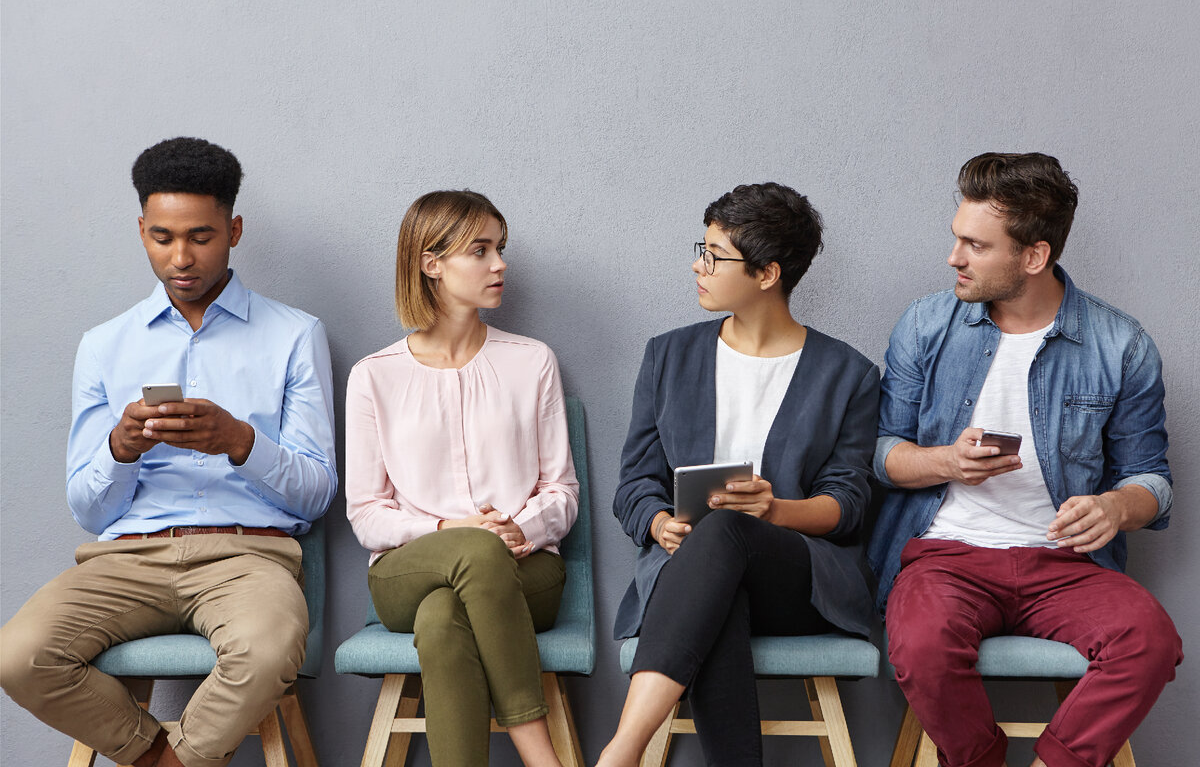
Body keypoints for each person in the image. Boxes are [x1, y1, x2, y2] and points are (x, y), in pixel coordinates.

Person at [0, 137, 337, 767]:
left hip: (247, 557)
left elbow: (317, 492)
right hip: (128, 558)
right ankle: (164, 760)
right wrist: (119, 448)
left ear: (234, 229)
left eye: (201, 237)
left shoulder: (295, 334)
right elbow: (88, 510)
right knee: (18, 654)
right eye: (162, 237)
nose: (180, 257)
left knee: (268, 650)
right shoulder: (104, 345)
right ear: (141, 230)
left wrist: (240, 442)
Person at [868, 152, 1183, 767]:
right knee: (921, 644)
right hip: (946, 557)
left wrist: (1116, 507)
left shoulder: (1122, 345)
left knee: (1149, 640)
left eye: (975, 245)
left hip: (1062, 564)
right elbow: (881, 456)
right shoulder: (927, 325)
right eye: (956, 238)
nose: (953, 257)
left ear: (1034, 256)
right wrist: (945, 463)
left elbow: (1153, 481)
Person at [597, 183, 880, 767]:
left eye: (714, 254)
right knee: (715, 579)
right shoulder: (667, 357)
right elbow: (633, 485)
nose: (697, 265)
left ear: (767, 273)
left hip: (798, 581)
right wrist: (657, 524)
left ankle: (621, 751)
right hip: (691, 573)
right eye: (701, 248)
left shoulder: (847, 373)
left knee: (724, 532)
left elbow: (849, 503)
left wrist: (774, 511)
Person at [345, 189, 579, 767]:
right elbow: (366, 513)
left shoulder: (532, 361)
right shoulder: (374, 377)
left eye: (500, 248)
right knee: (467, 556)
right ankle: (542, 757)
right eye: (480, 250)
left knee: (442, 617)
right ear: (432, 263)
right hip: (406, 571)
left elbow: (562, 492)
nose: (500, 264)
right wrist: (453, 528)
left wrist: (519, 529)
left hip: (528, 571)